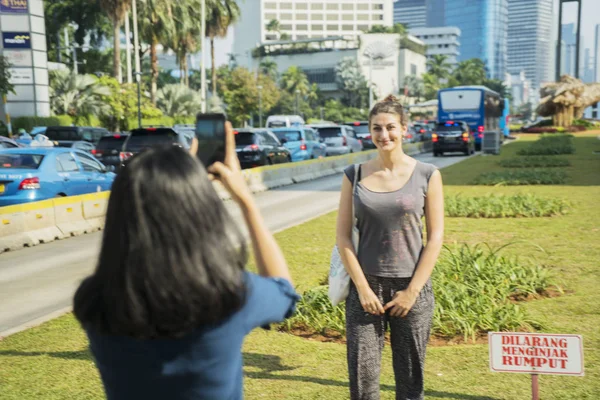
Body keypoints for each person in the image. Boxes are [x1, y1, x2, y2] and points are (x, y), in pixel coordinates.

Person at [73, 122, 299, 400]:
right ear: (197, 208)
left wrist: (184, 180)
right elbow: (285, 292)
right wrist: (246, 202)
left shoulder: (95, 301)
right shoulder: (230, 295)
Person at [336, 95, 444, 400]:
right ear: (369, 132)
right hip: (365, 288)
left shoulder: (427, 174)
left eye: (390, 127)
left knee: (411, 382)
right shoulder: (353, 175)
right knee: (363, 381)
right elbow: (343, 237)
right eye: (376, 129)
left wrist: (411, 292)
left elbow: (435, 237)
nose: (384, 135)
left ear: (404, 129)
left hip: (412, 288)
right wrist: (363, 289)